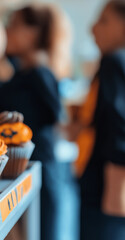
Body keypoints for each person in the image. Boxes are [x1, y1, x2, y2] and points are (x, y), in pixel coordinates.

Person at [0, 4, 77, 240]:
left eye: (14, 24)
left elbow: (57, 118)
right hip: (20, 172)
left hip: (40, 171)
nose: (7, 30)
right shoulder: (21, 72)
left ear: (33, 33)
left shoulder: (40, 73)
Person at [79, 1, 125, 239]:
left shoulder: (114, 61)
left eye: (104, 21)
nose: (93, 29)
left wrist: (116, 189)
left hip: (105, 185)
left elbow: (119, 126)